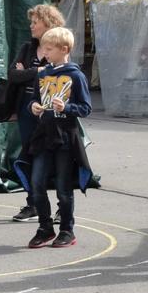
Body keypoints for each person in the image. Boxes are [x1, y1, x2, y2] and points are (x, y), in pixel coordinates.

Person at [20, 27, 93, 249]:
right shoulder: (42, 74)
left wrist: (67, 107)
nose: (45, 53)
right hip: (43, 135)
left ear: (64, 49)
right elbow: (32, 99)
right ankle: (45, 227)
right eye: (44, 48)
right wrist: (33, 106)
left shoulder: (76, 75)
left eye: (49, 49)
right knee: (37, 182)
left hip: (65, 137)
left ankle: (67, 230)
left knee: (63, 187)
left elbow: (86, 107)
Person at [7, 4, 67, 222]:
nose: (31, 26)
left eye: (35, 22)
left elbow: (62, 75)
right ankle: (33, 203)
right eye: (30, 22)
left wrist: (29, 73)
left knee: (58, 158)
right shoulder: (28, 48)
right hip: (27, 110)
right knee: (30, 155)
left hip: (54, 113)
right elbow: (13, 75)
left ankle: (63, 206)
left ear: (48, 24)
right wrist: (38, 71)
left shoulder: (60, 47)